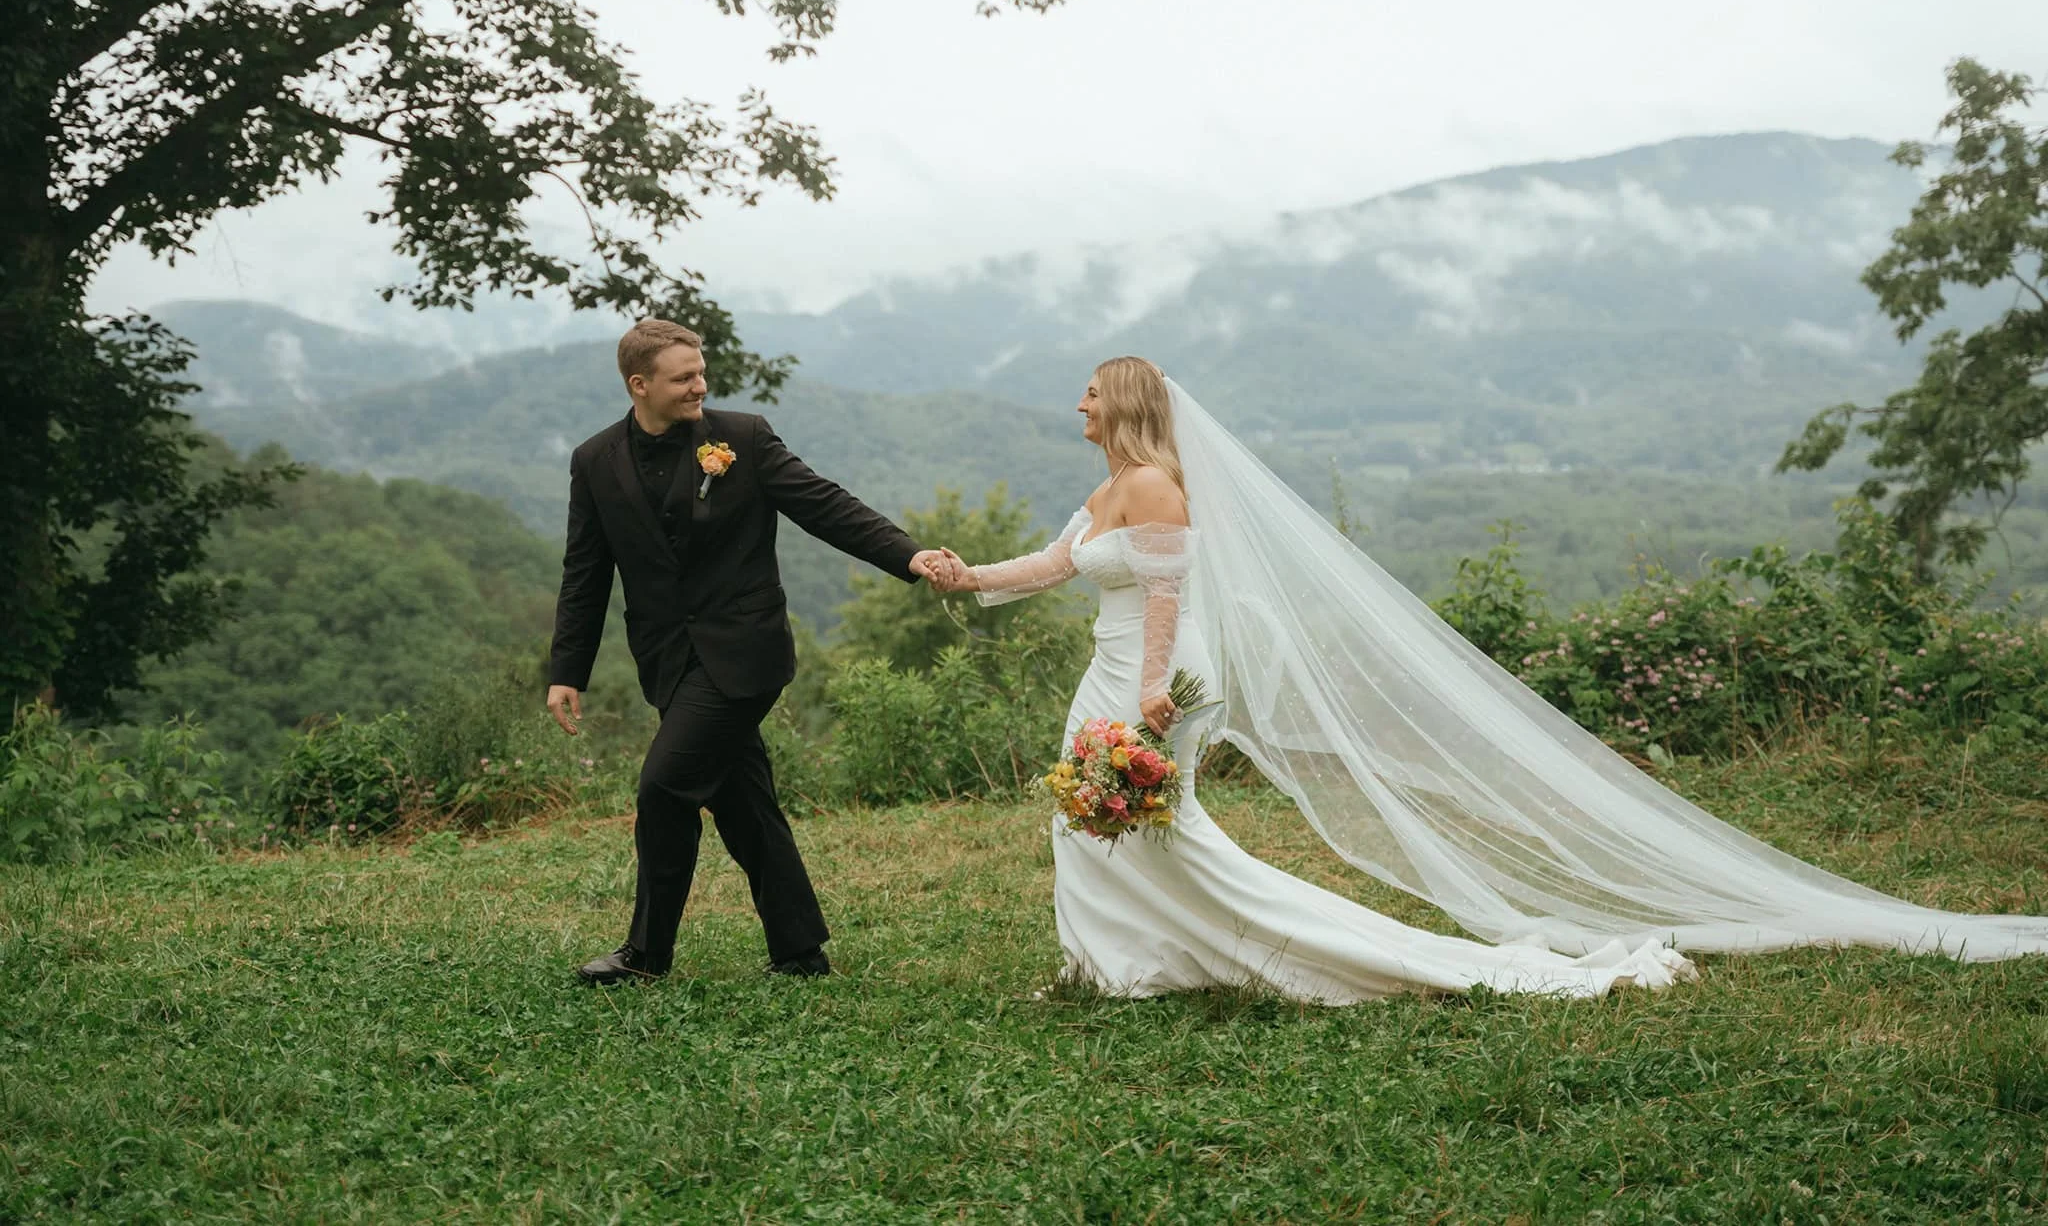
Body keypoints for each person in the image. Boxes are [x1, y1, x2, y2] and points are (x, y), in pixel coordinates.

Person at [929, 357, 2048, 1001]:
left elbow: (1166, 607)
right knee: (1101, 832)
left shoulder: (1160, 491)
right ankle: (1121, 959)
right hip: (1109, 675)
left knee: (1135, 828)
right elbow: (1052, 563)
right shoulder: (1111, 489)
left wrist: (1154, 704)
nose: (1074, 407)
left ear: (1121, 406)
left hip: (1147, 685)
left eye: (1086, 395)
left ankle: (1147, 961)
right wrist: (962, 574)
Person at [547, 320, 953, 985]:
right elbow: (584, 572)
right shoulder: (594, 461)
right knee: (742, 798)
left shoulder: (743, 439)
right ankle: (800, 951)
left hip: (745, 650)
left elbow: (827, 506)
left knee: (664, 786)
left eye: (701, 371)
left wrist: (909, 554)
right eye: (683, 377)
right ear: (639, 384)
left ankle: (646, 954)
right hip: (667, 657)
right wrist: (567, 669)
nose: (699, 384)